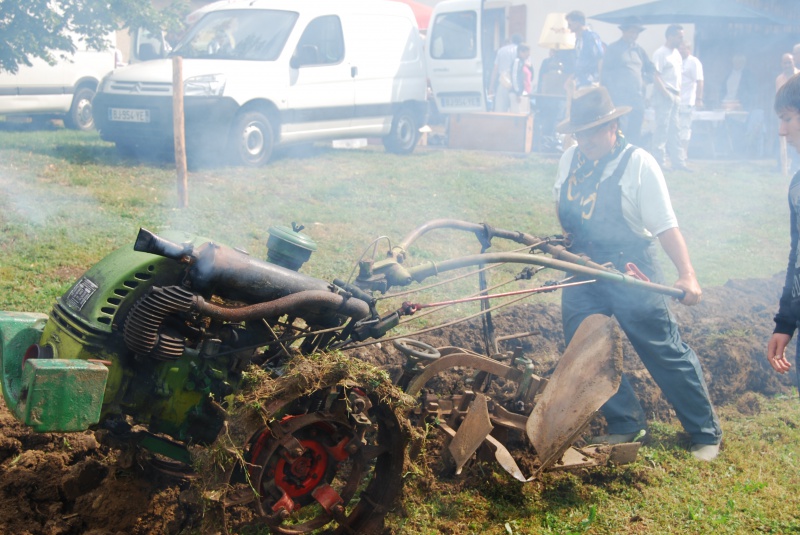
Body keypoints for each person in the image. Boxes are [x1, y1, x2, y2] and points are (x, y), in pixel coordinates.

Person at [552, 86, 722, 461]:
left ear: (614, 125)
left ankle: (704, 432)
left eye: (594, 130)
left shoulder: (638, 163)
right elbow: (566, 210)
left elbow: (665, 225)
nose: (586, 140)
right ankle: (626, 422)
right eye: (580, 132)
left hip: (631, 267)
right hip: (582, 267)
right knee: (584, 346)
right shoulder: (570, 161)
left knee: (660, 346)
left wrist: (687, 274)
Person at [768, 73, 800, 381]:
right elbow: (797, 256)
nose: (781, 131)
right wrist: (786, 322)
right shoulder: (797, 186)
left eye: (788, 119)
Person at [600, 16, 654, 146]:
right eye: (631, 31)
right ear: (624, 31)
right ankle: (617, 154)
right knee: (620, 128)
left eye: (636, 33)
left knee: (635, 129)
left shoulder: (639, 50)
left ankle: (632, 156)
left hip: (637, 97)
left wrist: (644, 82)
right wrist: (612, 92)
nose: (633, 35)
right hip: (619, 97)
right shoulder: (613, 49)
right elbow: (605, 73)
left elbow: (651, 69)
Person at [652, 24, 688, 171]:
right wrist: (665, 93)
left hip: (675, 95)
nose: (682, 39)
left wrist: (678, 93)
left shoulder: (677, 54)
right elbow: (655, 75)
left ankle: (678, 162)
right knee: (662, 128)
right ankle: (659, 163)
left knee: (676, 129)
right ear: (670, 36)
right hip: (664, 94)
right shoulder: (660, 53)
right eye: (679, 37)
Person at [678, 42, 704, 164]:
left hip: (687, 101)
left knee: (685, 127)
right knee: (675, 128)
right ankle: (676, 154)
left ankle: (684, 153)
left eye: (684, 49)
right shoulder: (677, 60)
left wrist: (698, 98)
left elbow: (699, 81)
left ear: (689, 50)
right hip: (676, 101)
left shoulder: (694, 62)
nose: (681, 51)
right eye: (680, 49)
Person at [565, 10, 604, 89]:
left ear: (577, 23)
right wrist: (571, 78)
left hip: (591, 82)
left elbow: (600, 58)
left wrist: (601, 82)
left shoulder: (591, 37)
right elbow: (579, 63)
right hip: (580, 82)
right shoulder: (578, 41)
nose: (568, 27)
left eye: (570, 24)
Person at [776, 54, 798, 175]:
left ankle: (796, 166)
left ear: (794, 62)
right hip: (785, 115)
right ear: (781, 65)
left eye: (789, 62)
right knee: (782, 140)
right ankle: (782, 166)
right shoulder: (779, 79)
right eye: (785, 63)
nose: (787, 65)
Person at [489, 34, 523, 113]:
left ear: (511, 40)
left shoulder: (501, 50)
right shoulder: (522, 51)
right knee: (516, 113)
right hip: (516, 85)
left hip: (503, 82)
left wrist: (491, 86)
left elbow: (495, 69)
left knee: (500, 112)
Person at [510, 43, 532, 114]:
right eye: (526, 54)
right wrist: (518, 92)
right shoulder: (517, 61)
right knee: (517, 115)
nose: (528, 56)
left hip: (524, 92)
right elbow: (514, 76)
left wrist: (530, 67)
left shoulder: (524, 63)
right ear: (520, 52)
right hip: (517, 93)